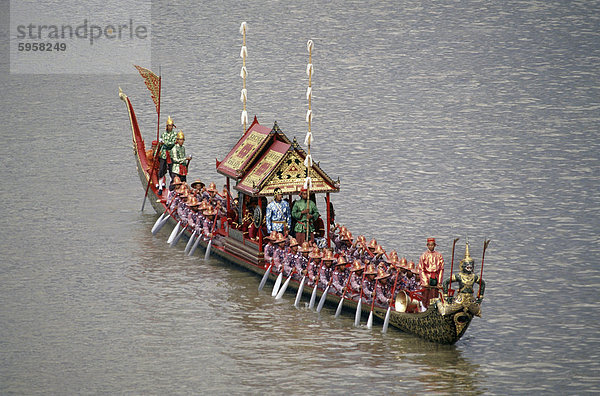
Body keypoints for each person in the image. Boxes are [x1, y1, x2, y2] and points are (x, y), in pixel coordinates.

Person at [419, 237, 445, 307]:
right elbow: (421, 269)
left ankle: (434, 307)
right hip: (427, 276)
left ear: (434, 245)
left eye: (432, 245)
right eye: (429, 245)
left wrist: (439, 282)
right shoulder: (423, 255)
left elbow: (441, 269)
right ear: (427, 245)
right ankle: (425, 307)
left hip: (435, 277)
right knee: (426, 294)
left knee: (434, 294)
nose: (431, 246)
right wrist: (425, 281)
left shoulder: (439, 255)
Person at [156, 115, 178, 195]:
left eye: (171, 126)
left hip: (171, 154)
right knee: (161, 170)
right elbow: (161, 143)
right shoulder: (163, 134)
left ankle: (171, 188)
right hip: (164, 154)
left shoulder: (175, 134)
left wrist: (165, 143)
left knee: (172, 171)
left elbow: (172, 143)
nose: (170, 127)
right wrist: (162, 143)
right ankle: (161, 187)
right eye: (169, 126)